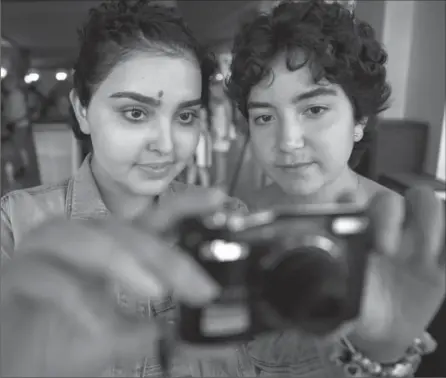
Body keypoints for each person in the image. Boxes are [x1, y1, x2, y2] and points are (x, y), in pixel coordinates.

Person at [0, 1, 245, 377]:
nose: (166, 144)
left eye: (185, 116)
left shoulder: (227, 223)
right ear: (82, 109)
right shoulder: (15, 226)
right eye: (135, 113)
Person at [227, 0, 445, 376]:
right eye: (264, 117)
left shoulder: (417, 248)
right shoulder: (245, 223)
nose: (288, 141)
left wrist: (387, 350)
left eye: (314, 110)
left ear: (359, 118)